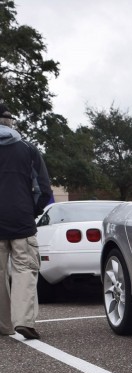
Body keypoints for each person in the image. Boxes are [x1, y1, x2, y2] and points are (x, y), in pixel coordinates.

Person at [0, 103, 52, 340]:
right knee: (24, 269)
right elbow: (44, 188)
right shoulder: (28, 150)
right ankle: (23, 321)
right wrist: (32, 211)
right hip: (22, 219)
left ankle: (3, 324)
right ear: (9, 122)